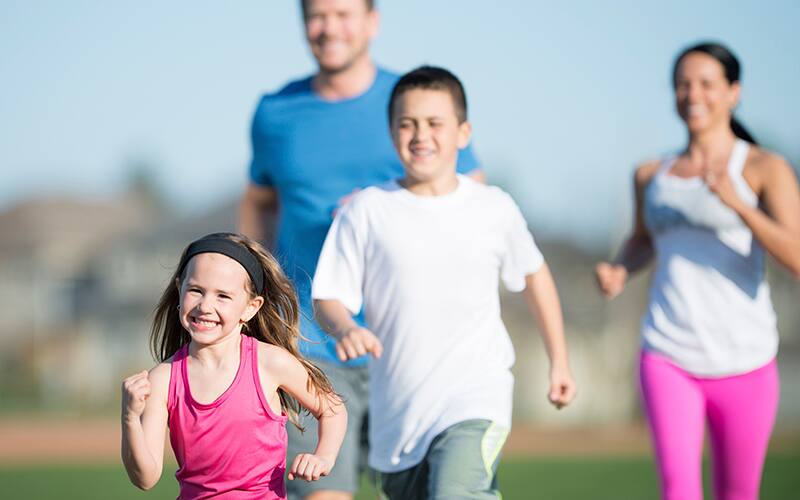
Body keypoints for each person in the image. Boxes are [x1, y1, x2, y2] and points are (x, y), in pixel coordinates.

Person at [238, 1, 481, 498]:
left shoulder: (416, 101)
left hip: (412, 346)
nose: (329, 28)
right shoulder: (274, 113)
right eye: (317, 15)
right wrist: (251, 296)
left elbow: (470, 202)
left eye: (344, 13)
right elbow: (259, 205)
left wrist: (386, 204)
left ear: (373, 21)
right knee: (321, 489)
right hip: (307, 340)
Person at [312, 66, 576, 499]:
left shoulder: (493, 208)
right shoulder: (368, 209)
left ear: (463, 132)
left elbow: (534, 273)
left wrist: (560, 360)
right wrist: (346, 328)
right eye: (407, 124)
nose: (421, 135)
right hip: (399, 414)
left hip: (476, 395)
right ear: (392, 131)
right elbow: (329, 295)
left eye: (435, 123)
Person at [595, 42, 800, 500]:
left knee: (738, 494)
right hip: (668, 351)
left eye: (706, 84)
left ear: (733, 92)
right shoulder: (651, 174)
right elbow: (643, 241)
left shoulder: (765, 167)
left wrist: (739, 205)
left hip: (745, 358)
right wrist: (620, 269)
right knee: (679, 491)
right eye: (683, 84)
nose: (693, 94)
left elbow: (796, 256)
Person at [120, 233, 347, 499]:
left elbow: (332, 409)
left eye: (223, 296)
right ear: (179, 290)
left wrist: (324, 457)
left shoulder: (269, 362)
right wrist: (130, 418)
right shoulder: (163, 379)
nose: (205, 305)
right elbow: (145, 478)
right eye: (196, 290)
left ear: (251, 308)